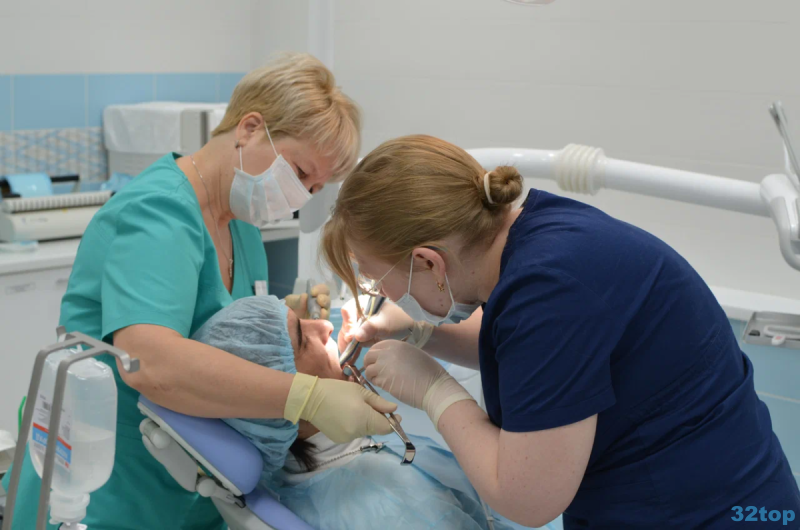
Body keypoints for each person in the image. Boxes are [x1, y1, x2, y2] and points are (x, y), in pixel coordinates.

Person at [2, 53, 398, 530]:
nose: (300, 196)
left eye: (314, 189)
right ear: (250, 128)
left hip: (196, 482)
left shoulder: (240, 224)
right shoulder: (160, 214)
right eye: (299, 172)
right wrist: (308, 397)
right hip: (107, 482)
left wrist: (293, 323)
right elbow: (149, 361)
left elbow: (221, 329)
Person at [320, 135, 800, 528]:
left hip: (705, 512)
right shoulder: (537, 238)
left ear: (429, 262)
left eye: (376, 279)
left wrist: (433, 389)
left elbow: (526, 498)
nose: (380, 293)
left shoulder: (550, 290)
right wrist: (419, 331)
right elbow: (529, 351)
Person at [191, 294, 535, 530]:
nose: (325, 326)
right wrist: (437, 392)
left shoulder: (296, 475)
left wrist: (418, 329)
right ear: (283, 408)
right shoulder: (389, 506)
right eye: (302, 339)